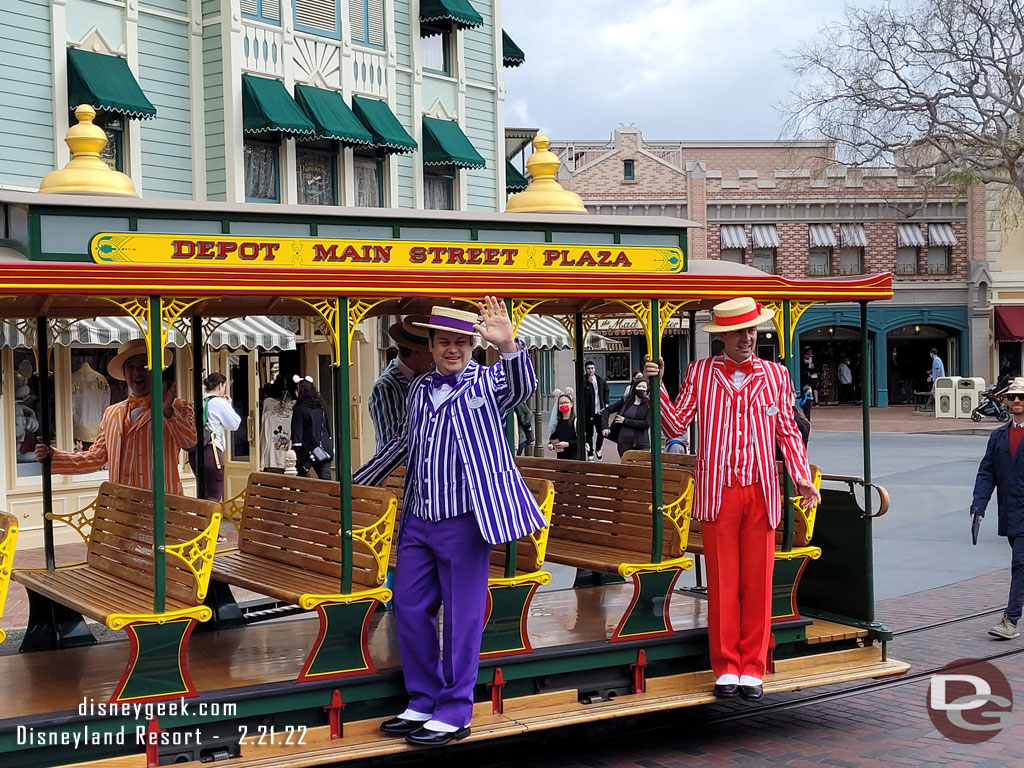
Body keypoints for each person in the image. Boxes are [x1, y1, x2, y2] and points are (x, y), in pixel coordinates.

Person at [354, 297, 545, 747]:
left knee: (461, 616)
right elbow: (401, 445)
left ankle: (457, 709)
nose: (452, 349)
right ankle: (423, 698)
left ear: (473, 345)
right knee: (409, 605)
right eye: (444, 342)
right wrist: (355, 485)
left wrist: (508, 344)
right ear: (432, 344)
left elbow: (522, 388)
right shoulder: (420, 389)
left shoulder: (488, 381)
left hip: (465, 520)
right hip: (419, 517)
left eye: (461, 341)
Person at [644, 297, 820, 702]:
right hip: (717, 490)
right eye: (739, 331)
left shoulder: (775, 375)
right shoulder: (700, 372)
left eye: (752, 330)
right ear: (721, 335)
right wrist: (655, 386)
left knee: (758, 582)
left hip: (761, 489)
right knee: (723, 582)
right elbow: (675, 423)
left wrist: (801, 477)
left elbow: (787, 433)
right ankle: (726, 667)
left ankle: (752, 668)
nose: (747, 338)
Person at [34, 338, 196, 493]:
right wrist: (54, 456)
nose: (136, 372)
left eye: (144, 366)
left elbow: (190, 443)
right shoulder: (112, 413)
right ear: (124, 374)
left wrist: (167, 411)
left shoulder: (179, 407)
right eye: (130, 367)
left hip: (163, 509)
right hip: (123, 510)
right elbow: (95, 458)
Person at [970, 376, 1024, 640]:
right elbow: (986, 472)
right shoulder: (998, 436)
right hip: (1011, 513)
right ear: (1004, 400)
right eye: (1012, 396)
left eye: (1022, 397)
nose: (1017, 401)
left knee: (1020, 563)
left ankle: (1010, 619)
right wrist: (979, 504)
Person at [369, 316, 433, 450]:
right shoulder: (386, 387)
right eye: (431, 351)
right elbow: (391, 442)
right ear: (417, 351)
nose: (434, 357)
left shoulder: (428, 378)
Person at [197, 373, 241, 504]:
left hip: (196, 453)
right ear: (221, 385)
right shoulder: (219, 402)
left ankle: (202, 523)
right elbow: (234, 424)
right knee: (214, 495)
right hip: (212, 452)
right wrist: (229, 405)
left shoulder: (199, 401)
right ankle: (211, 524)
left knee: (203, 494)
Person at [290, 376, 333, 480]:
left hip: (307, 451)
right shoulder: (320, 407)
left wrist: (295, 450)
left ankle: (298, 496)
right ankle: (335, 495)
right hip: (324, 449)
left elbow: (297, 434)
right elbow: (327, 428)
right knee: (326, 480)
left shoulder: (299, 409)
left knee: (298, 479)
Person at [602, 380, 652, 456]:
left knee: (640, 466)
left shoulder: (648, 404)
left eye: (644, 387)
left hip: (641, 443)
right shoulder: (625, 401)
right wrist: (605, 427)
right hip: (624, 441)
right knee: (626, 465)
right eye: (639, 386)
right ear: (634, 388)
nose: (641, 389)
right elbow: (607, 410)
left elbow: (646, 424)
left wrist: (625, 421)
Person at [581, 360, 610, 460]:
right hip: (589, 412)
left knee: (602, 432)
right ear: (585, 369)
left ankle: (598, 448)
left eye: (592, 368)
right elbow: (581, 393)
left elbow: (606, 390)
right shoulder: (583, 380)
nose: (590, 370)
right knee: (589, 434)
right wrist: (587, 384)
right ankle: (590, 453)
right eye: (588, 368)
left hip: (600, 410)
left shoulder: (600, 379)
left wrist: (606, 403)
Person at [548, 391, 578, 459]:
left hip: (574, 458)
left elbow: (580, 442)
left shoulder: (576, 421)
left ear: (571, 404)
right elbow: (553, 437)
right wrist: (551, 445)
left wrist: (567, 444)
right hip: (561, 458)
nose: (563, 405)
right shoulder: (557, 422)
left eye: (566, 402)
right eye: (561, 403)